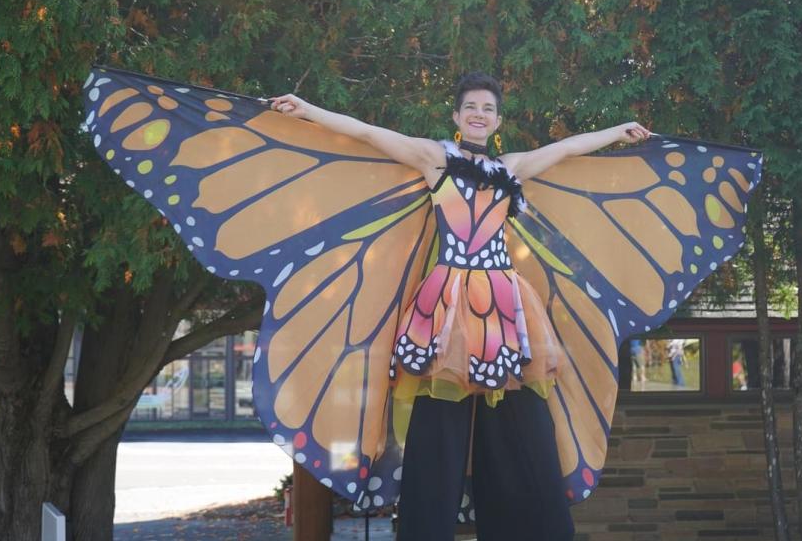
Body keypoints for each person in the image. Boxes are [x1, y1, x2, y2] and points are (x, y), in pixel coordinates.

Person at [270, 72, 650, 540]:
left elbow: (567, 148)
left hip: (505, 303)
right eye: (471, 106)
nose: (478, 114)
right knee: (439, 424)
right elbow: (367, 132)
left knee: (520, 419)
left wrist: (618, 132)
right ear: (456, 116)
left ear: (497, 120)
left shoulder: (510, 168)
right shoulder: (434, 158)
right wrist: (306, 110)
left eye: (487, 109)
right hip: (449, 304)